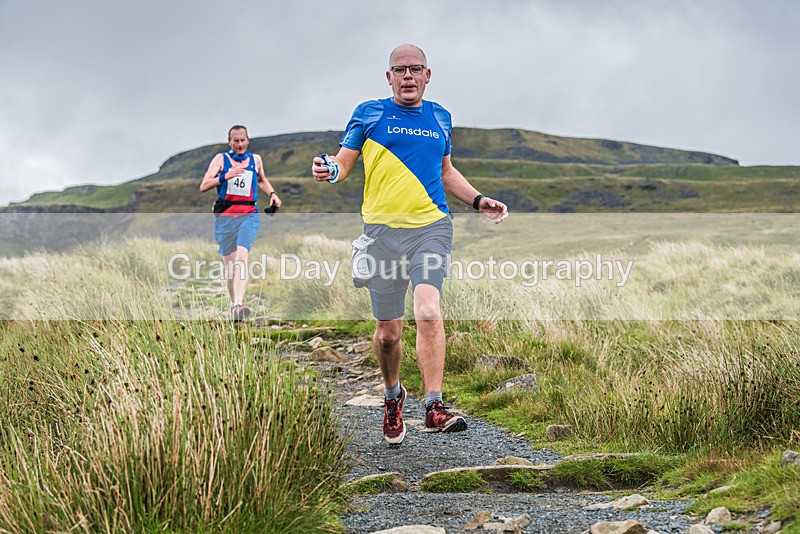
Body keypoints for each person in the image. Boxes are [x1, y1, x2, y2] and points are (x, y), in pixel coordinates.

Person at [311, 44, 508, 445]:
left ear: (427, 75)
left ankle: (434, 406)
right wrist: (329, 169)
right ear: (389, 77)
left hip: (431, 228)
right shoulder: (370, 113)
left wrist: (477, 200)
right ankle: (392, 396)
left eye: (415, 69)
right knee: (387, 335)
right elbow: (344, 163)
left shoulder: (440, 117)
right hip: (382, 234)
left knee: (429, 309)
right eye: (399, 70)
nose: (407, 76)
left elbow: (445, 170)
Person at [200, 125, 281, 321]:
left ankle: (238, 305)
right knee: (230, 267)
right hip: (225, 218)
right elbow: (204, 185)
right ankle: (233, 302)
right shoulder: (221, 159)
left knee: (242, 258)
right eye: (235, 141)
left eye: (242, 140)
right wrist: (226, 175)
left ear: (248, 140)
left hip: (249, 215)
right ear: (229, 142)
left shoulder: (255, 160)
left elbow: (261, 180)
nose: (239, 144)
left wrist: (272, 194)